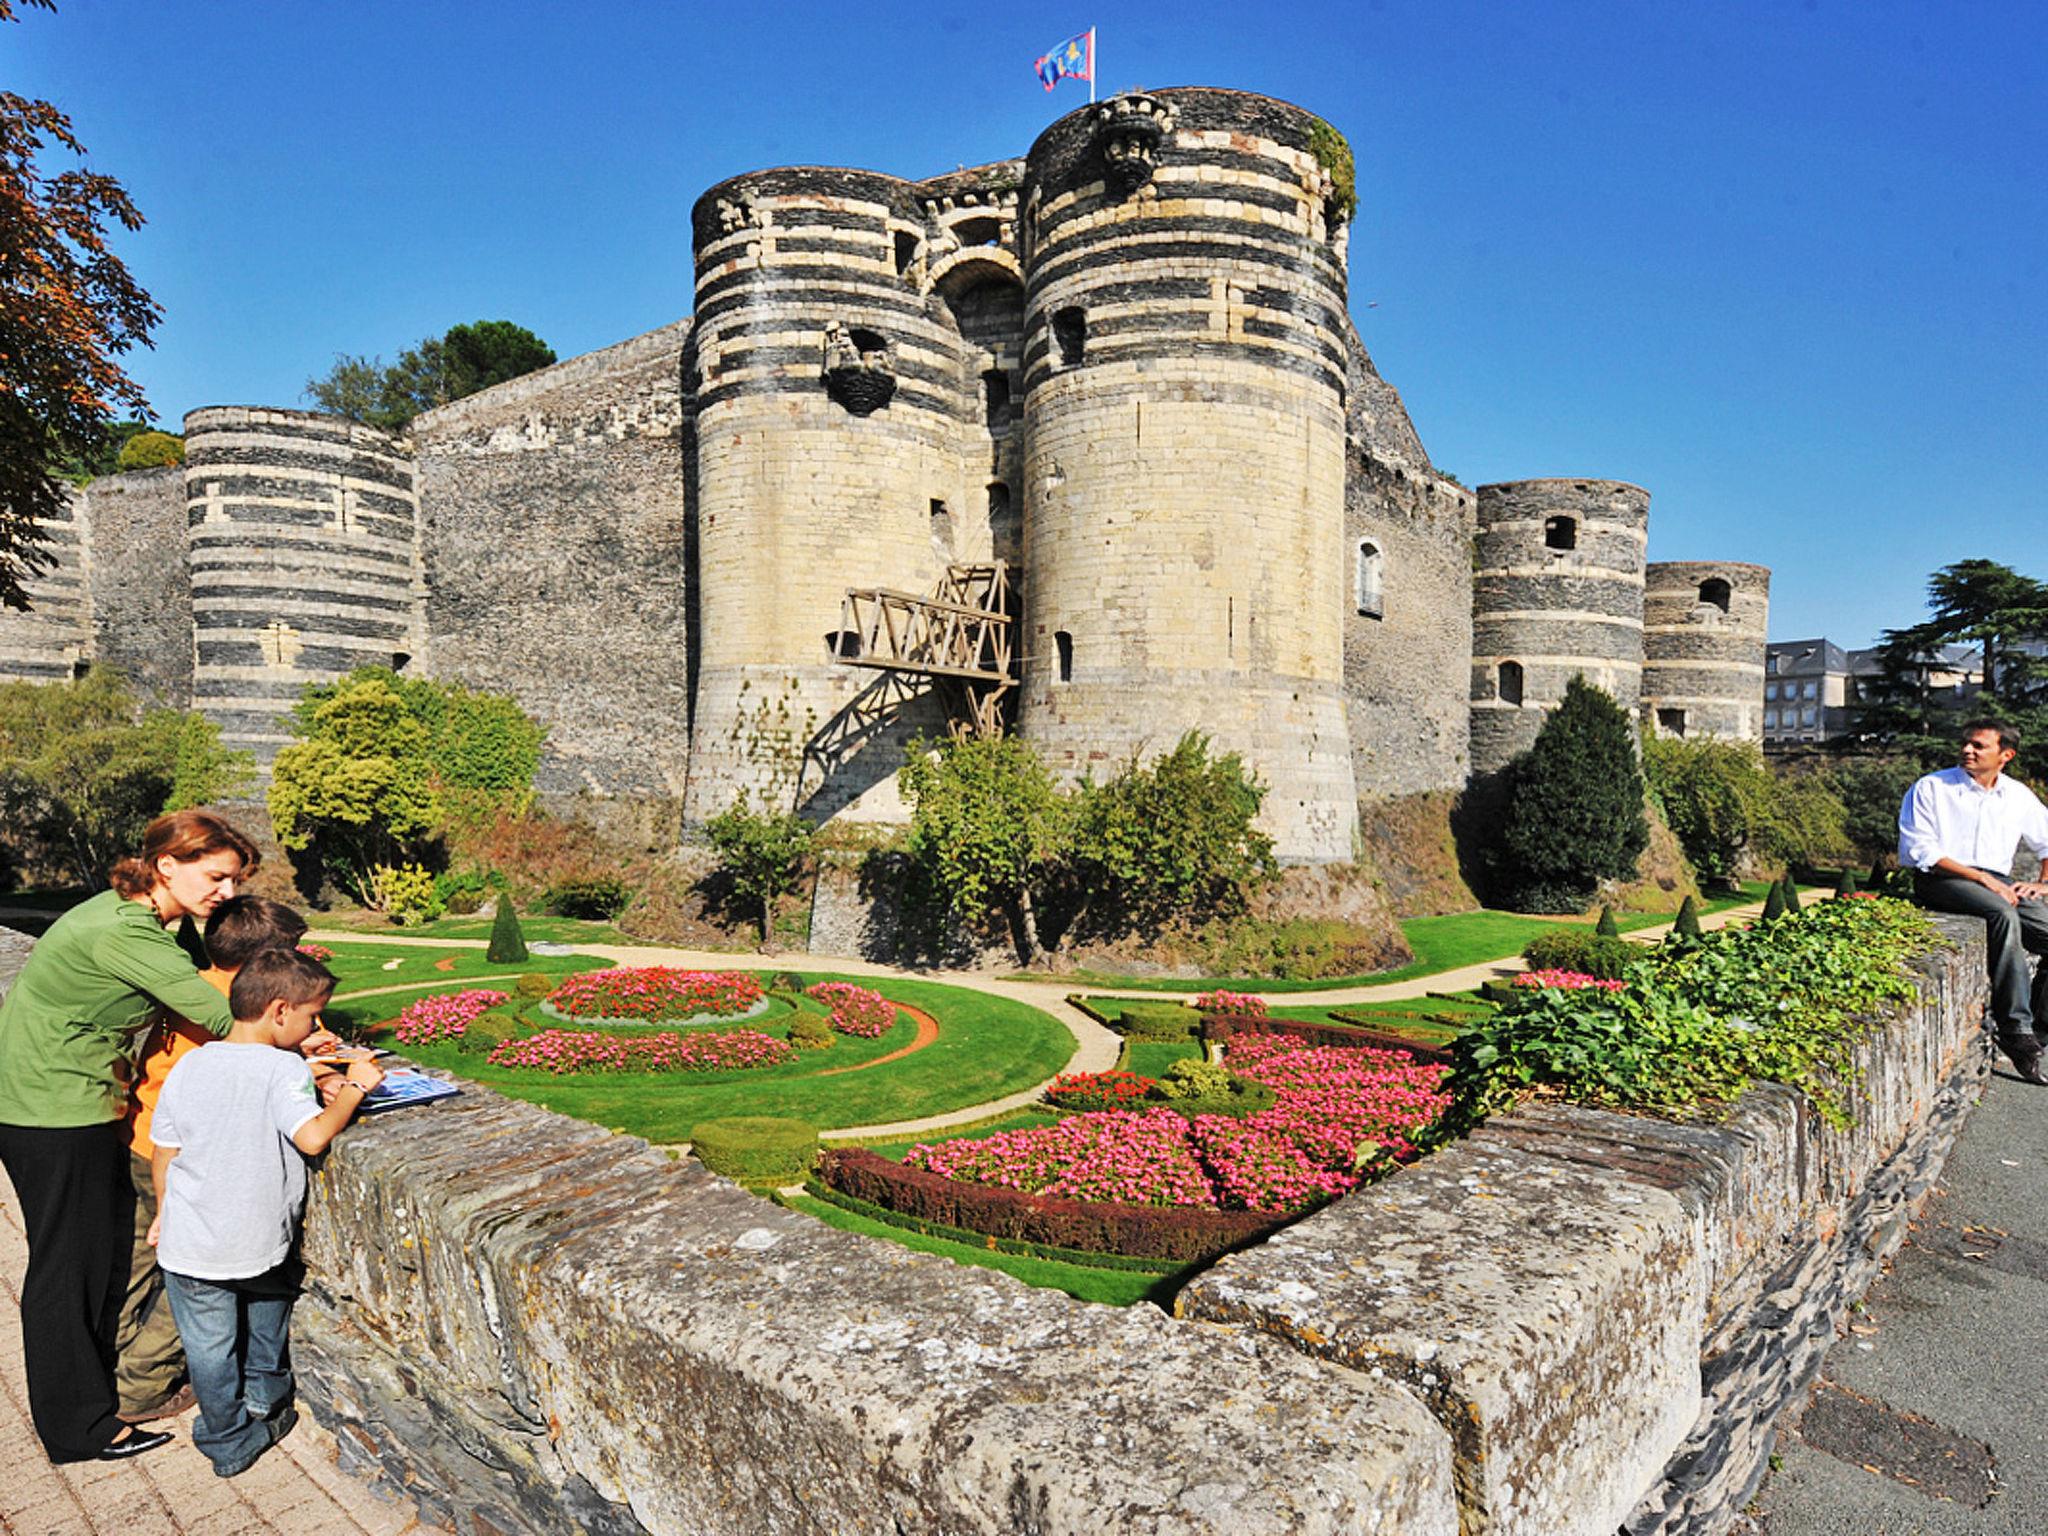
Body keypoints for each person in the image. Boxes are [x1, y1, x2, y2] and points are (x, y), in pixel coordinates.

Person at [0, 809, 256, 1464]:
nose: (227, 894)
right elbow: (220, 1016)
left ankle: (95, 1391)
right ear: (167, 864)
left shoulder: (135, 917)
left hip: (59, 1099)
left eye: (233, 881)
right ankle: (78, 1430)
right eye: (218, 877)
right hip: (52, 1108)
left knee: (90, 1256)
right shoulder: (126, 931)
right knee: (67, 1269)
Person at [149, 947, 382, 1478]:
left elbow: (166, 1149)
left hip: (187, 1238)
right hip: (255, 1240)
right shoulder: (281, 1069)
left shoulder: (192, 1063)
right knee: (268, 1305)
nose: (313, 1026)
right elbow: (314, 1135)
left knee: (207, 1349)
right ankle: (263, 1399)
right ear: (280, 1012)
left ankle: (226, 1435)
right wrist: (354, 1087)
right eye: (310, 1016)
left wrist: (163, 1212)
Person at [115, 895, 317, 1424]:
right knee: (188, 1280)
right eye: (288, 957)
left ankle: (112, 1363)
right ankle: (142, 1387)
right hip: (182, 1150)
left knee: (140, 1268)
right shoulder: (228, 1012)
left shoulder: (196, 985)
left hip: (145, 1133)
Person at [1898, 719, 2048, 1081]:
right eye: (1966, 743)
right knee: (2002, 915)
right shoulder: (1932, 787)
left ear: (2005, 755)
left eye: (1979, 746)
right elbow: (1922, 851)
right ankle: (2015, 1031)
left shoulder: (2017, 795)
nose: (1968, 750)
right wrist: (1982, 878)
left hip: (1998, 880)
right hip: (1943, 878)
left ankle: (2040, 1029)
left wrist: (2045, 885)